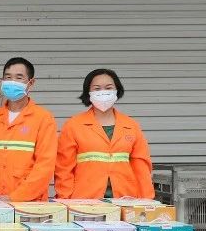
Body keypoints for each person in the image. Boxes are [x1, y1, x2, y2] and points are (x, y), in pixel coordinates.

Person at [56, 68, 155, 200]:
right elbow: (63, 169)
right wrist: (65, 200)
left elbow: (141, 168)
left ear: (117, 90)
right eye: (97, 88)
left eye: (108, 88)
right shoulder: (74, 125)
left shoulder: (131, 126)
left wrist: (147, 200)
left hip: (126, 200)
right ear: (88, 92)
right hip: (84, 201)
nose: (103, 92)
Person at [0, 57, 57, 202]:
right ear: (2, 81)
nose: (12, 82)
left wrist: (15, 197)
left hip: (29, 205)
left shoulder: (43, 119)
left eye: (19, 77)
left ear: (31, 83)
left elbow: (44, 166)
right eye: (8, 77)